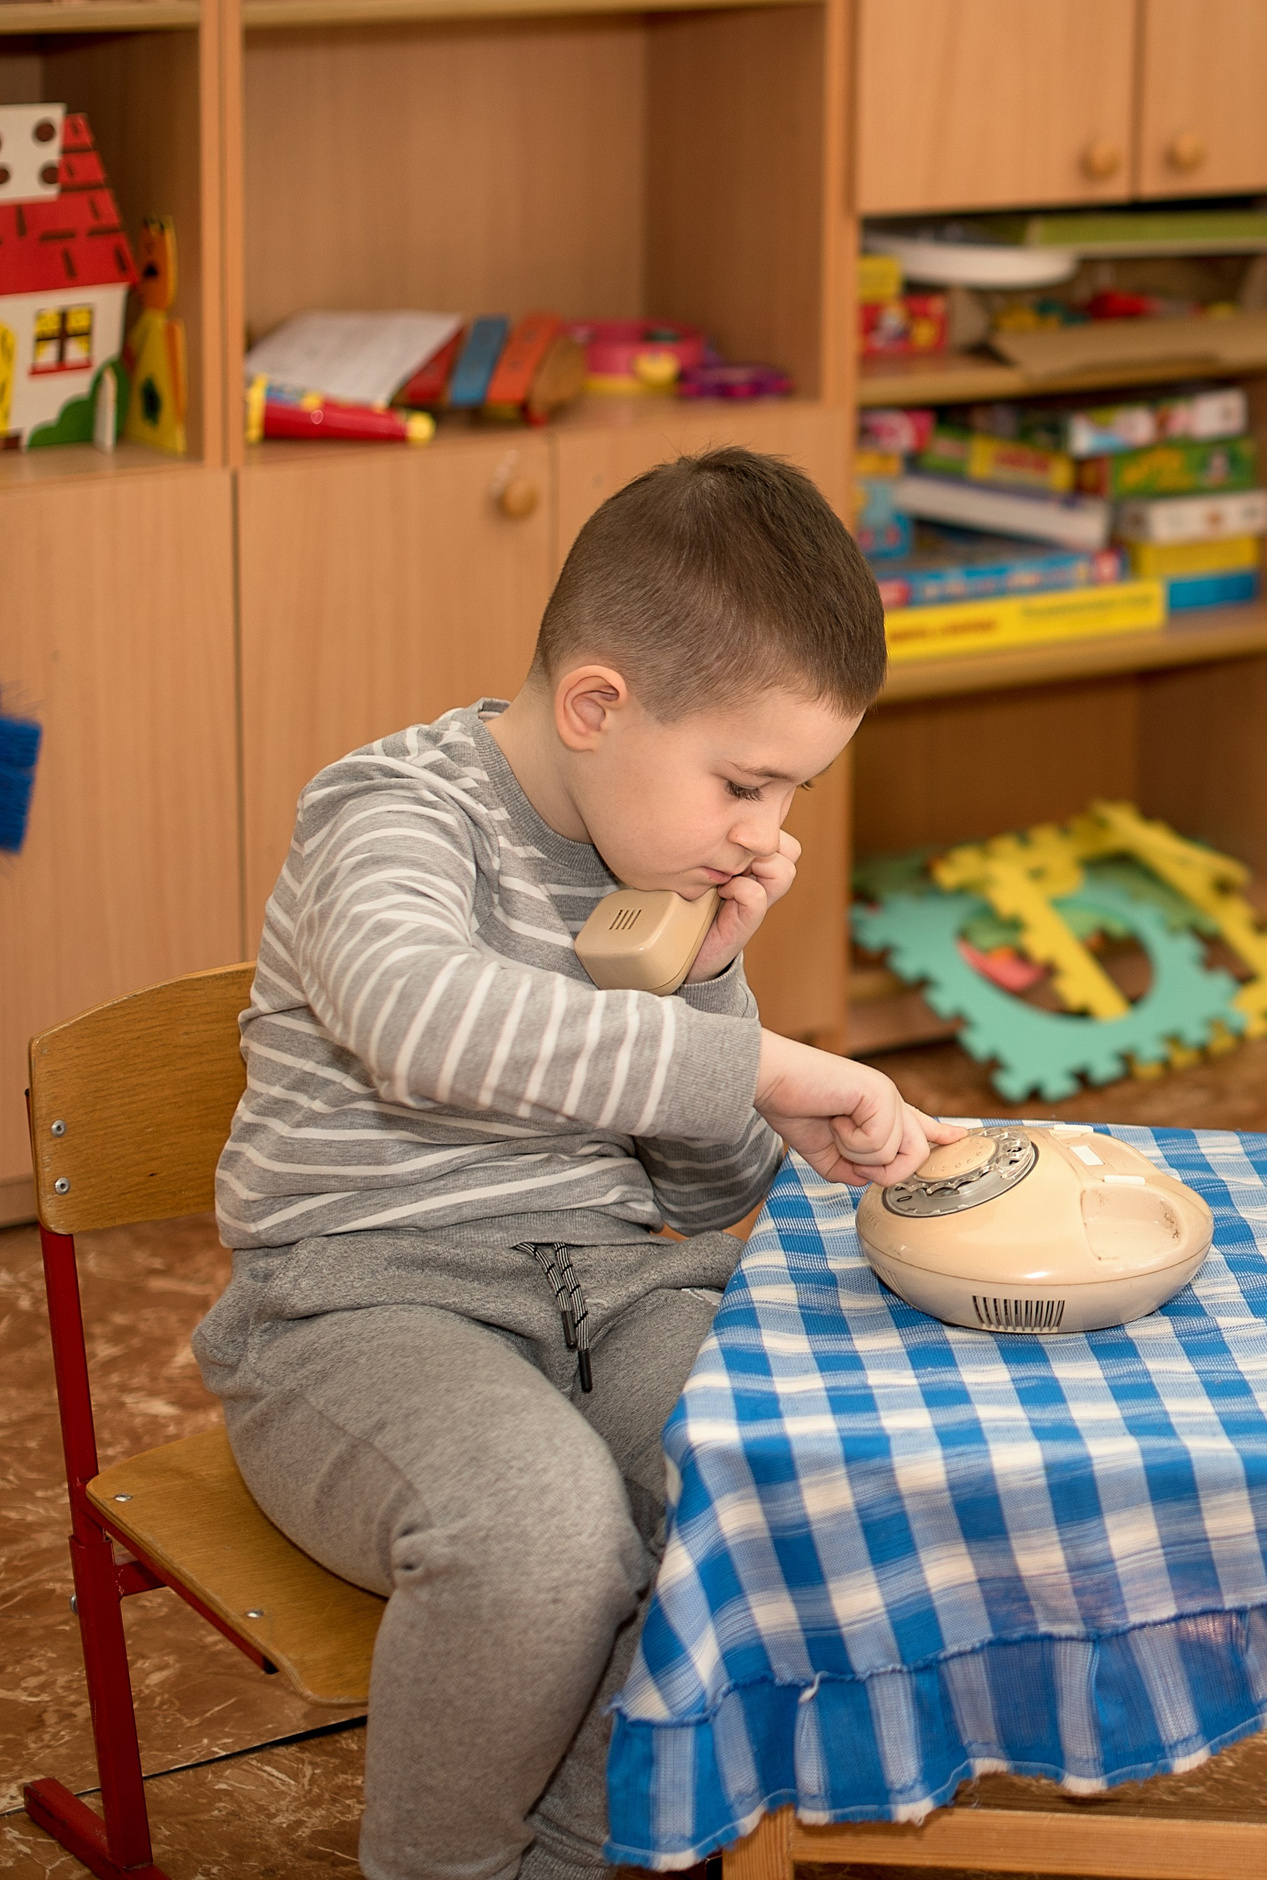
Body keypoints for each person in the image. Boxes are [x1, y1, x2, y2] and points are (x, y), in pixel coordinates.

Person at [195, 446, 961, 1880]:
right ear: (598, 703)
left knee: (770, 1486)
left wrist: (713, 985)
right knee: (546, 1534)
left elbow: (699, 1195)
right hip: (360, 1311)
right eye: (745, 782)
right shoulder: (391, 814)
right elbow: (421, 1020)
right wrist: (768, 1062)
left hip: (610, 1294)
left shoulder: (653, 855)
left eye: (788, 794)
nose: (764, 835)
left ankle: (572, 1849)